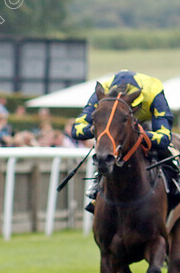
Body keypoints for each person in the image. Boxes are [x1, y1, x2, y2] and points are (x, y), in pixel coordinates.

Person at [70, 70, 179, 213]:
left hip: (145, 125)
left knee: (165, 149)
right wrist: (100, 130)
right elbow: (77, 129)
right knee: (106, 151)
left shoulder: (153, 89)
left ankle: (175, 183)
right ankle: (96, 189)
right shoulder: (104, 90)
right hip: (115, 127)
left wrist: (133, 133)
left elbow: (164, 136)